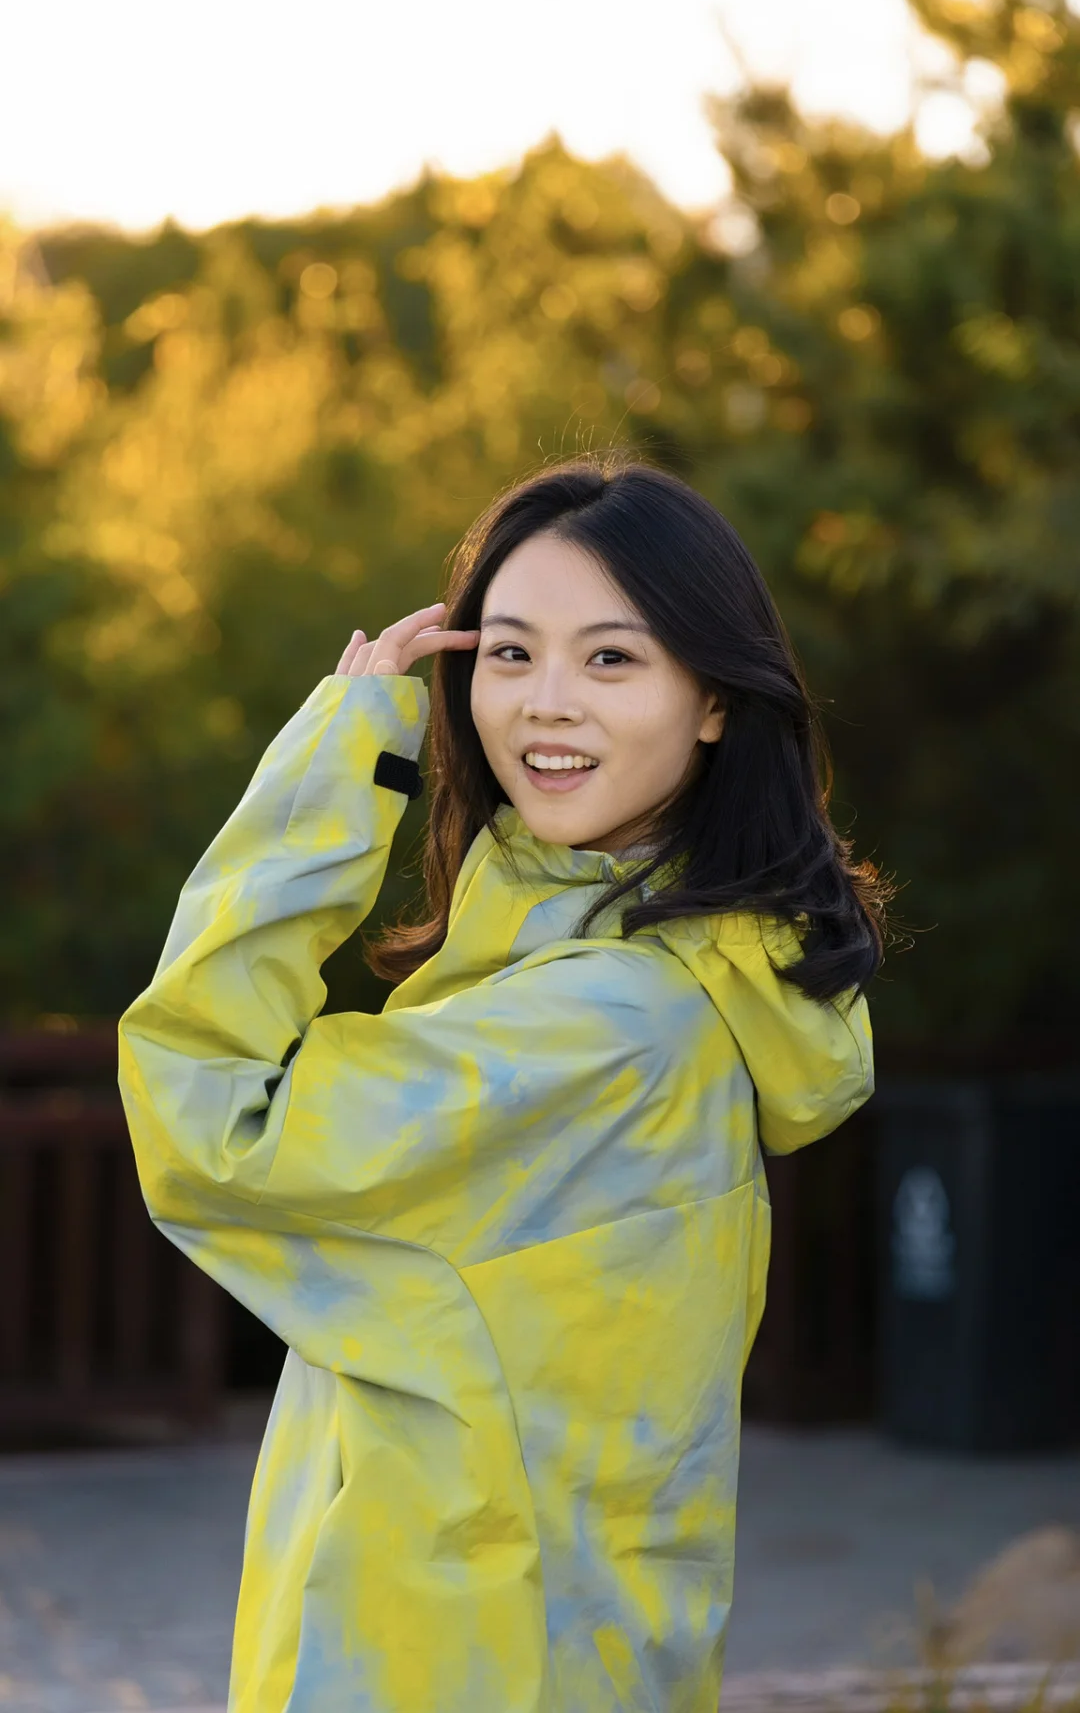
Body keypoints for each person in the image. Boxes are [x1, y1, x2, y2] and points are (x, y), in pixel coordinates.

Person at [118, 456, 885, 1713]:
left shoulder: (611, 1025)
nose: (545, 705)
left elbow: (214, 1118)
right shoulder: (644, 977)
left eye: (611, 659)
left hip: (459, 1656)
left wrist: (336, 759)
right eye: (511, 654)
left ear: (714, 701)